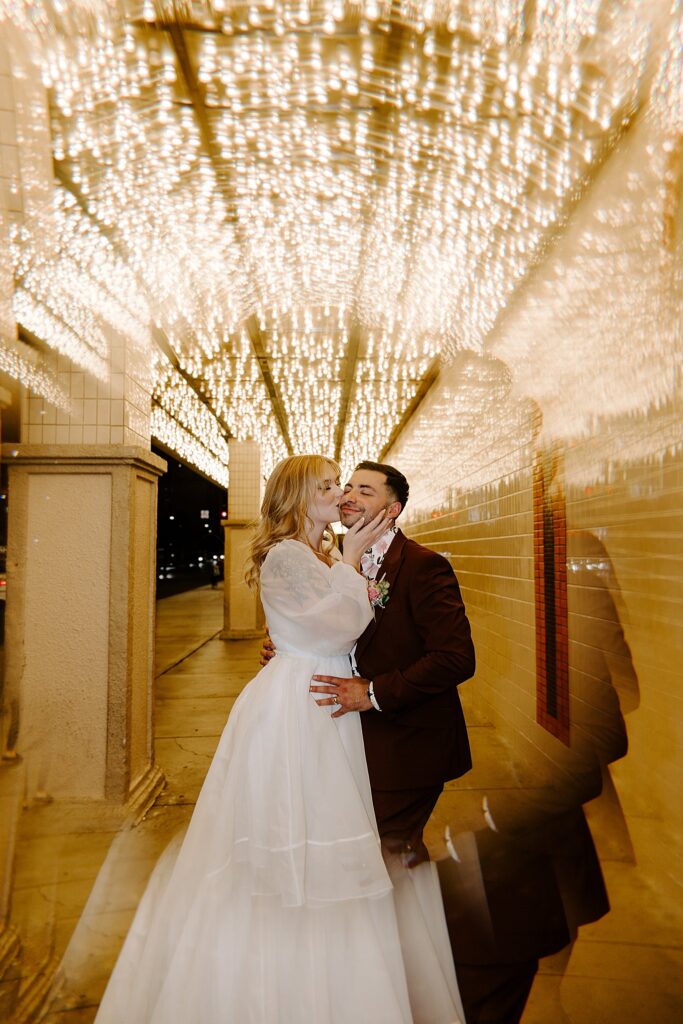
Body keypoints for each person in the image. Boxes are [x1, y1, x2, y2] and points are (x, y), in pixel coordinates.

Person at [94, 454, 463, 1024]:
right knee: (321, 852)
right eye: (335, 486)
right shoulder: (311, 555)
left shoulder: (417, 564)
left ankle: (373, 976)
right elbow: (332, 624)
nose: (344, 495)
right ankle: (330, 984)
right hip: (313, 717)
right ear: (299, 498)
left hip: (391, 734)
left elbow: (451, 656)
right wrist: (294, 645)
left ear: (392, 509)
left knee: (368, 858)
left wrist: (333, 663)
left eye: (359, 489)